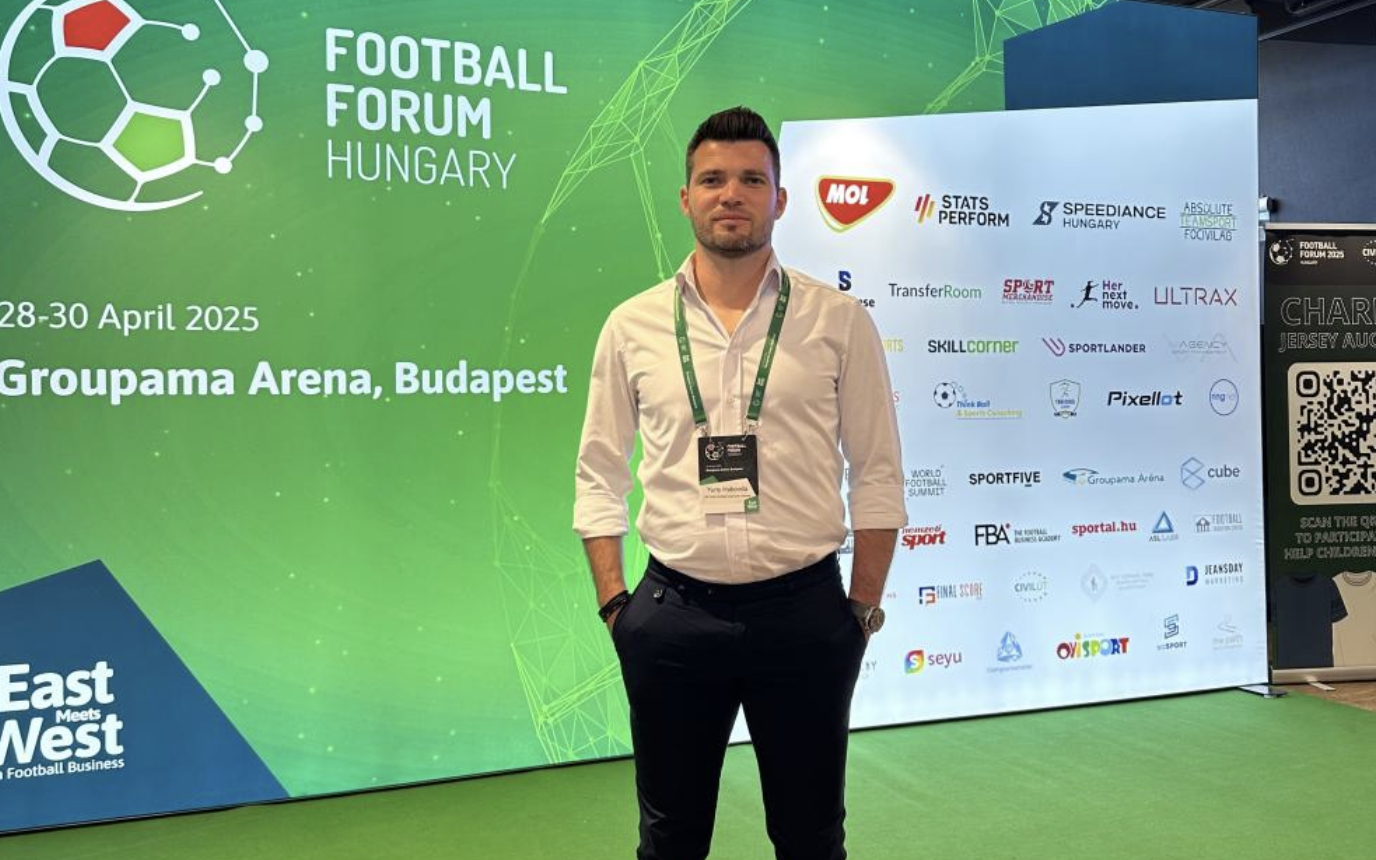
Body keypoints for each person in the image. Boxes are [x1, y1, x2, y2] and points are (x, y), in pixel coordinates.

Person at [573, 105, 906, 860]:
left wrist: (860, 612)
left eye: (752, 180)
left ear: (779, 199)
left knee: (811, 837)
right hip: (672, 618)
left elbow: (879, 471)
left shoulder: (838, 320)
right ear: (685, 197)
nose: (732, 194)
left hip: (806, 617)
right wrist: (616, 607)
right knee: (670, 839)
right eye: (713, 179)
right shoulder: (631, 325)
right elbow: (598, 472)